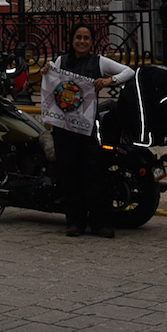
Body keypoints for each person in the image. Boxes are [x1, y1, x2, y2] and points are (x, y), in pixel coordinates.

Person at [50, 23, 134, 238]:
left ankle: (100, 223)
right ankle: (74, 222)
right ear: (72, 39)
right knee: (69, 173)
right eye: (78, 37)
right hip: (64, 126)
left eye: (86, 38)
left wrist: (109, 80)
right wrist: (45, 72)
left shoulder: (99, 62)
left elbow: (129, 71)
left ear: (92, 41)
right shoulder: (61, 60)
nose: (82, 41)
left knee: (93, 173)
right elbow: (51, 81)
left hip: (87, 127)